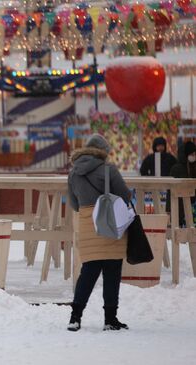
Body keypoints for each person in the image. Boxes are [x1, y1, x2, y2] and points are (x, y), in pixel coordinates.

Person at [66, 134, 131, 332]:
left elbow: (74, 203)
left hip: (88, 223)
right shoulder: (108, 169)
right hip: (110, 224)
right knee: (112, 272)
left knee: (88, 272)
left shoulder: (73, 173)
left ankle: (75, 317)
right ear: (103, 151)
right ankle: (110, 319)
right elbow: (125, 195)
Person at [169, 141, 196, 227]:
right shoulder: (177, 168)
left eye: (195, 154)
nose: (194, 156)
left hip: (192, 205)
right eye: (192, 154)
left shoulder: (193, 166)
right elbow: (170, 190)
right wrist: (168, 209)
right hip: (179, 205)